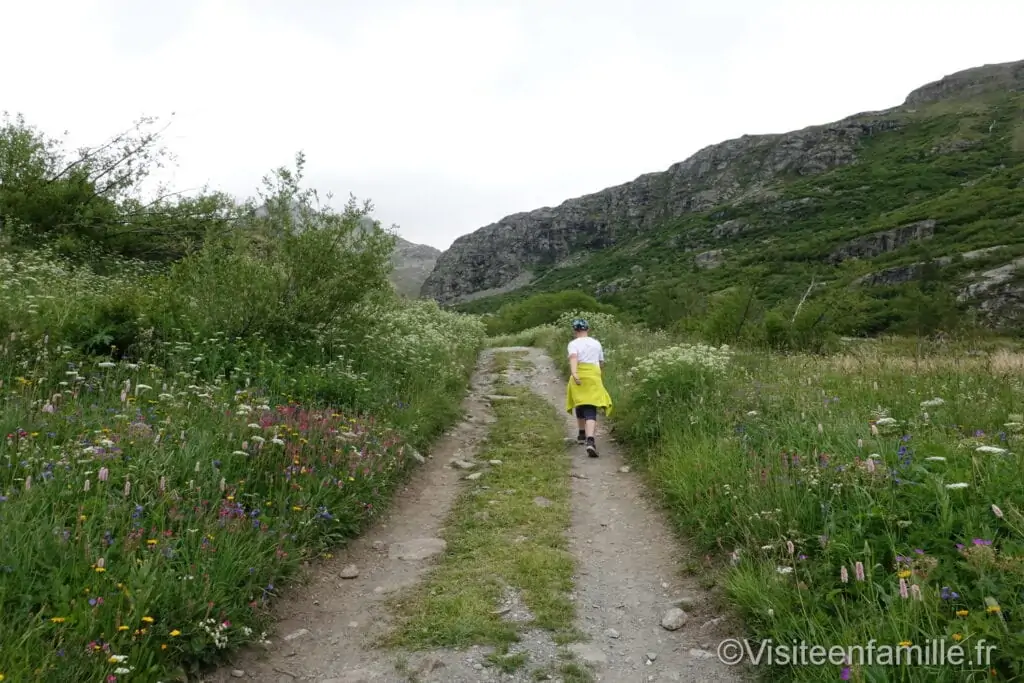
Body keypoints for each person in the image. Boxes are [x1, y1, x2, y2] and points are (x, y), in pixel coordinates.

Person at [564, 318, 613, 457]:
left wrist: (574, 373)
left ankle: (581, 434)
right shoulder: (596, 343)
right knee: (591, 407)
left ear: (575, 330)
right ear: (587, 329)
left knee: (580, 402)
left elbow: (573, 358)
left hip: (579, 374)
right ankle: (590, 440)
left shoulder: (573, 344)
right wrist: (597, 375)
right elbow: (601, 362)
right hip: (593, 376)